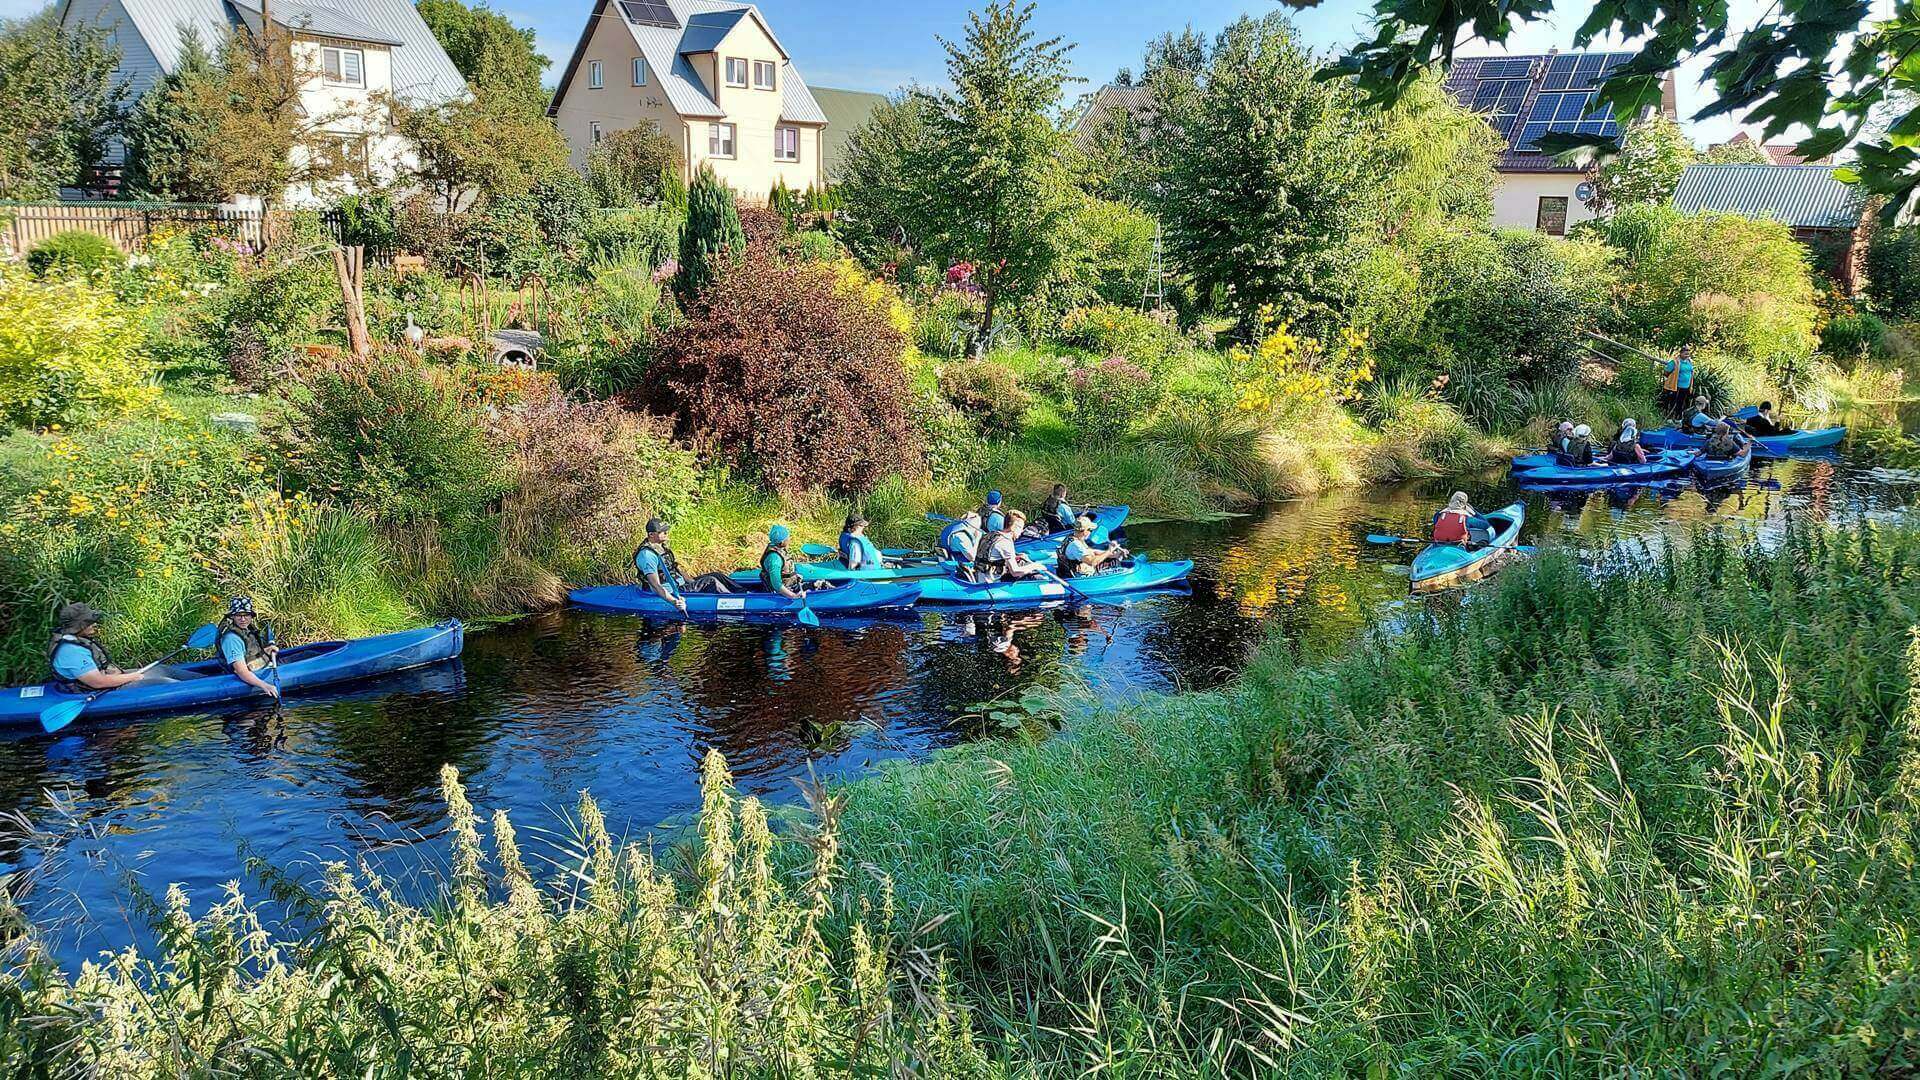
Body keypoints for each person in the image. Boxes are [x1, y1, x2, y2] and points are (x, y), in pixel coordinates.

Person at [634, 518, 734, 615]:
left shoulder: (661, 547)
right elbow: (655, 585)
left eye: (666, 530)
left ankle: (743, 592)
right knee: (710, 581)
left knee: (717, 575)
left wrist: (692, 582)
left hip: (680, 584)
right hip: (672, 590)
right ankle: (733, 599)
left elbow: (675, 569)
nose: (666, 533)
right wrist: (674, 602)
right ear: (651, 534)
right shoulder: (647, 555)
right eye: (662, 531)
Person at [47, 602, 145, 693]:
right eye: (89, 622)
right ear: (79, 626)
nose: (94, 624)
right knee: (154, 682)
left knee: (159, 671)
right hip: (89, 692)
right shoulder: (71, 651)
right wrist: (134, 677)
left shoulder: (75, 639)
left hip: (101, 679)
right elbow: (98, 682)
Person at [216, 596, 280, 699]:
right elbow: (241, 671)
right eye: (239, 615)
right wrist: (264, 685)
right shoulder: (231, 639)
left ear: (251, 616)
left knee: (309, 653)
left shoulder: (246, 629)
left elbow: (251, 655)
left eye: (246, 615)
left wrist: (266, 652)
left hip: (264, 666)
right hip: (253, 674)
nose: (243, 619)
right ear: (232, 616)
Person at [972, 511, 1045, 583]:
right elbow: (1015, 572)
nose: (1021, 532)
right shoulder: (1006, 542)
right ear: (1014, 527)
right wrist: (1034, 566)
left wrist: (1015, 556)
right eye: (1021, 528)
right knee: (1035, 576)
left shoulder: (991, 534)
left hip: (979, 575)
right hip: (991, 581)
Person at [1057, 514, 1130, 577]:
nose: (1091, 532)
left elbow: (1092, 551)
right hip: (1083, 576)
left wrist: (1113, 555)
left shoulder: (1072, 537)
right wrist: (1109, 550)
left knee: (1114, 559)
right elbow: (1092, 562)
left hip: (1077, 570)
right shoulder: (1076, 545)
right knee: (1117, 565)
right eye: (1090, 530)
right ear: (1084, 531)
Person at [760, 524, 807, 599]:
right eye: (787, 538)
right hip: (784, 591)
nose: (789, 539)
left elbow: (784, 572)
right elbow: (777, 584)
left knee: (822, 584)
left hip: (790, 586)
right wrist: (793, 596)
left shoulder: (779, 548)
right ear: (781, 542)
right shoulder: (775, 559)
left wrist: (794, 576)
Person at [1661, 344, 1695, 418]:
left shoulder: (1689, 362)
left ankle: (1677, 418)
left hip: (1686, 386)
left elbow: (1691, 372)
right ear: (1681, 353)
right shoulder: (1674, 362)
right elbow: (1666, 372)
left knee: (1681, 403)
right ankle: (1668, 417)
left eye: (1688, 354)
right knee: (1672, 402)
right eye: (1685, 354)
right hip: (1675, 386)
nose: (1687, 355)